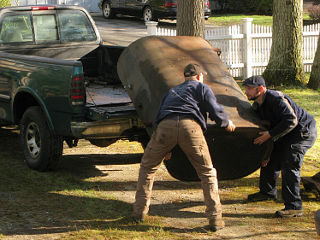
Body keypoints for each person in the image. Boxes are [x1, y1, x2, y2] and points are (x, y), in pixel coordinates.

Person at [132, 63, 236, 231]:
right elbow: (215, 110)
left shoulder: (172, 91)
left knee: (147, 168)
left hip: (164, 127)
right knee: (207, 172)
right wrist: (226, 124)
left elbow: (158, 117)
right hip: (191, 127)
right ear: (200, 77)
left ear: (185, 77)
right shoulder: (202, 88)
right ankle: (215, 219)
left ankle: (139, 213)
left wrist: (163, 147)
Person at [243, 75, 317, 217]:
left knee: (289, 164)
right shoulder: (257, 105)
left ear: (260, 89)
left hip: (303, 132)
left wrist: (270, 135)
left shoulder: (276, 98)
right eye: (245, 88)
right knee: (269, 160)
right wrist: (267, 151)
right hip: (285, 134)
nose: (246, 92)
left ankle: (294, 206)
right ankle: (267, 192)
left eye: (249, 89)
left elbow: (291, 120)